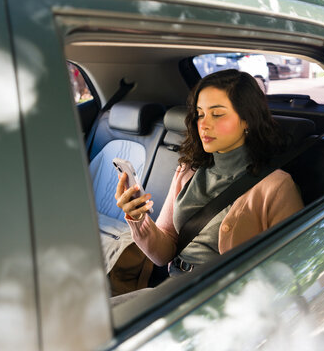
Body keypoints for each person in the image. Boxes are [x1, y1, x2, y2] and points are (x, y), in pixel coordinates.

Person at [115, 69, 303, 277]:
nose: (203, 125)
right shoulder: (187, 170)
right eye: (200, 114)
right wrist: (139, 217)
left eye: (217, 114)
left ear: (247, 120)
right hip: (176, 287)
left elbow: (289, 268)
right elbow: (164, 252)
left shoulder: (276, 187)